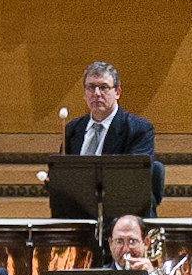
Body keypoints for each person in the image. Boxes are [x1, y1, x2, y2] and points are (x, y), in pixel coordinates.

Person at [58, 60, 161, 208]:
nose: (96, 93)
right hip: (80, 211)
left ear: (117, 92)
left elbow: (136, 179)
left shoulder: (139, 129)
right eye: (91, 87)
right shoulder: (72, 129)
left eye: (104, 87)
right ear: (84, 94)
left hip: (124, 211)